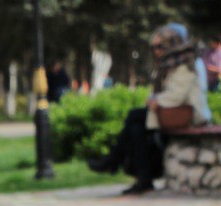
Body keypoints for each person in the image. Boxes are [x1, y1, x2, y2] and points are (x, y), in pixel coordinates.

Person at [87, 24, 209, 195]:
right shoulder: (168, 65)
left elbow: (178, 95)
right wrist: (155, 100)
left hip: (185, 115)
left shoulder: (186, 64)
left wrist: (156, 101)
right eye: (154, 47)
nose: (156, 51)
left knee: (134, 116)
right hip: (169, 113)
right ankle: (142, 179)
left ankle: (113, 161)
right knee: (136, 130)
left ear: (172, 44)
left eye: (160, 46)